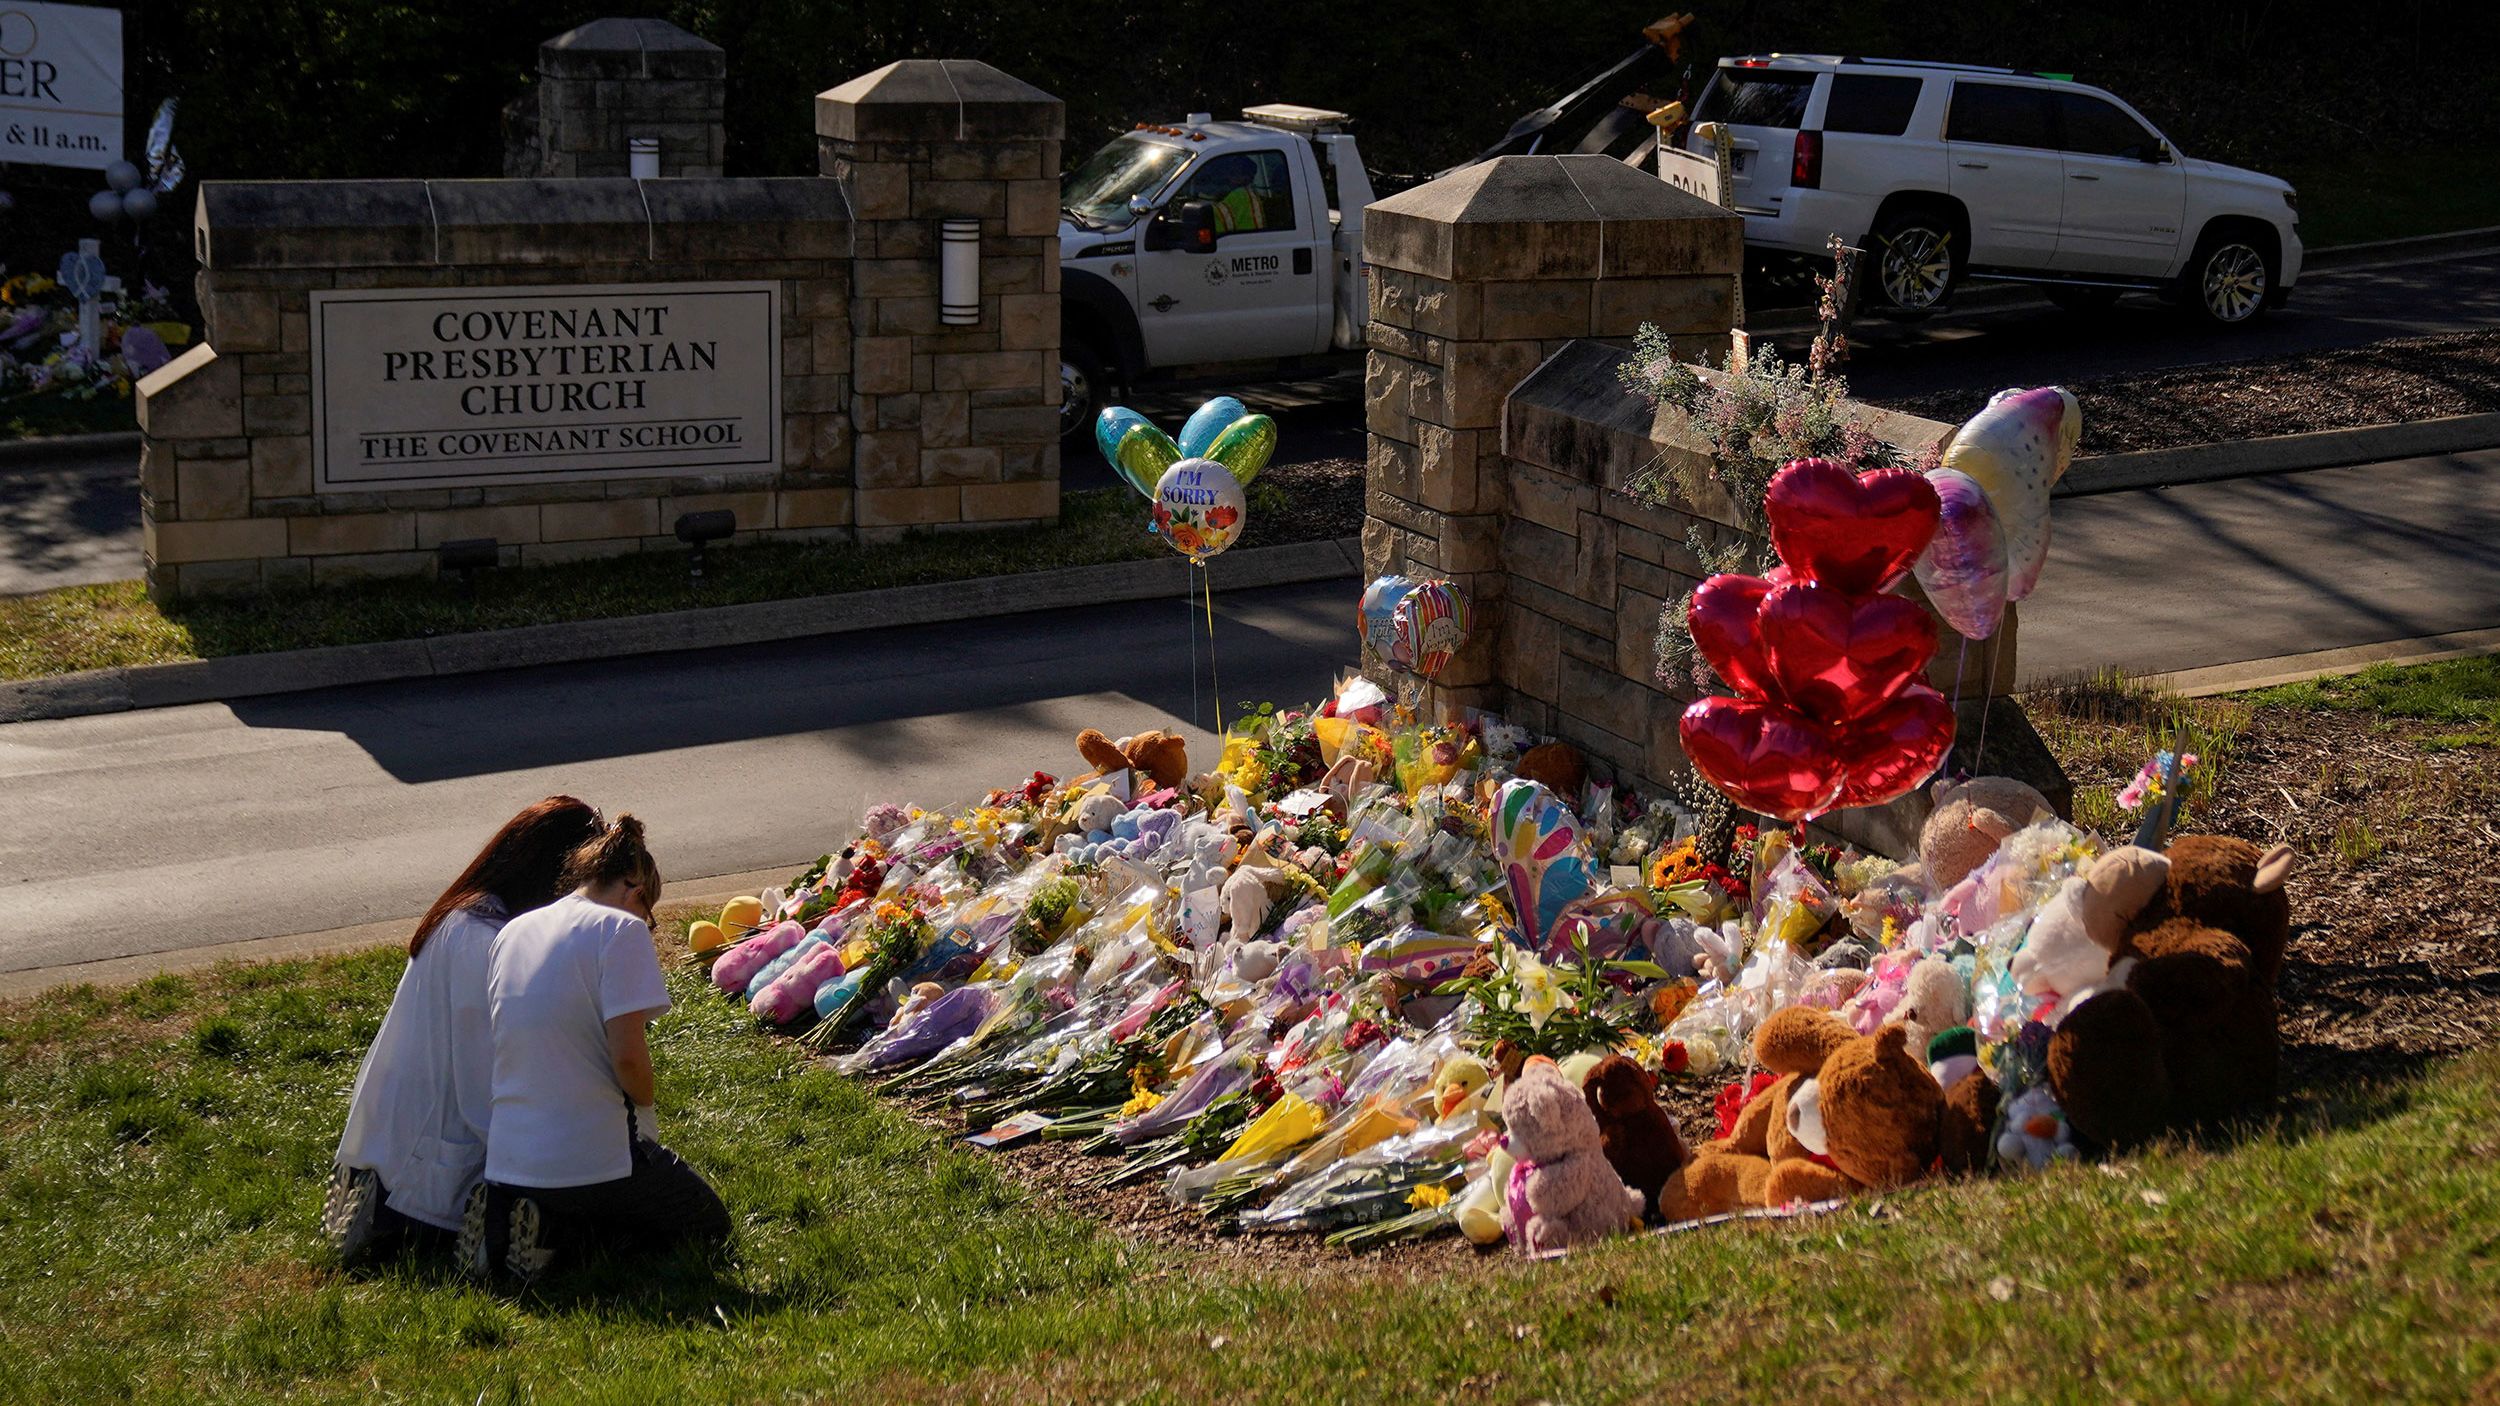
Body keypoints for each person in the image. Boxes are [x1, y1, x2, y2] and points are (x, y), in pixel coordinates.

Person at [324, 796, 604, 1264]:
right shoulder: (482, 939)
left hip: (400, 1156)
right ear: (551, 874)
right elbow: (485, 1086)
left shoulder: (471, 917)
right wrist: (558, 1149)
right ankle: (491, 1234)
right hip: (421, 1184)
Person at [461, 814, 731, 1285]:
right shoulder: (618, 932)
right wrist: (646, 1111)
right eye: (648, 915)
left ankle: (509, 1224)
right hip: (590, 1155)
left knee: (589, 1198)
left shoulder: (513, 931)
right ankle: (559, 1236)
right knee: (705, 1223)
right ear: (634, 890)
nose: (644, 926)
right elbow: (627, 1058)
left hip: (508, 1154)